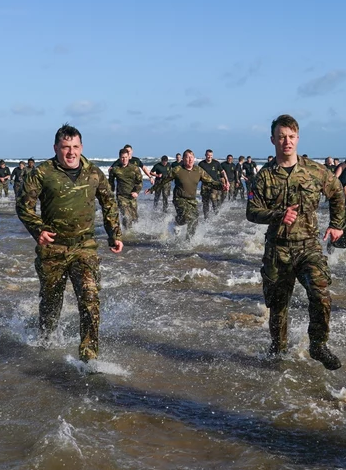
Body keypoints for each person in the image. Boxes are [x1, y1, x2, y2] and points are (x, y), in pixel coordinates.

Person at [17, 123, 123, 362]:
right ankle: (45, 341)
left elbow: (109, 204)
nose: (71, 152)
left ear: (81, 146)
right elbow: (23, 206)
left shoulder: (94, 173)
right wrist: (38, 230)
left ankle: (88, 356)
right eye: (66, 147)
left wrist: (114, 234)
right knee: (51, 302)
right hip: (52, 248)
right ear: (56, 147)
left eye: (75, 146)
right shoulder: (42, 173)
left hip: (85, 246)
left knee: (90, 297)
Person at [247, 114, 345, 370]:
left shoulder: (314, 171)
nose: (286, 142)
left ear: (297, 138)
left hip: (308, 247)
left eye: (290, 137)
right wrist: (278, 214)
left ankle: (318, 345)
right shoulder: (265, 176)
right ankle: (278, 354)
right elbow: (251, 211)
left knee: (321, 293)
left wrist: (336, 224)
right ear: (273, 140)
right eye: (281, 137)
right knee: (278, 307)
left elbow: (337, 193)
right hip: (277, 250)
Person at [148, 149, 227, 236]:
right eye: (187, 157)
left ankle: (188, 240)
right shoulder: (177, 170)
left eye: (191, 157)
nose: (189, 159)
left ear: (194, 159)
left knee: (195, 219)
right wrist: (152, 189)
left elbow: (210, 182)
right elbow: (164, 180)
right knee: (188, 216)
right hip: (179, 198)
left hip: (192, 199)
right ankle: (177, 223)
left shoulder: (199, 170)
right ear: (183, 159)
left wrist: (221, 186)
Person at [108, 148, 143, 229]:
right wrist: (110, 194)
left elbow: (139, 182)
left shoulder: (134, 168)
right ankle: (126, 233)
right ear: (119, 158)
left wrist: (136, 192)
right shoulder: (115, 169)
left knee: (134, 218)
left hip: (132, 196)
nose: (124, 159)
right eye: (122, 157)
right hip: (121, 196)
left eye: (126, 157)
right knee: (126, 216)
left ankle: (133, 232)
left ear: (129, 157)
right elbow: (111, 183)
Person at [197, 149, 226, 219]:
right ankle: (206, 217)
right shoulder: (201, 164)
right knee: (205, 202)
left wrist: (226, 181)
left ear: (212, 156)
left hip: (214, 184)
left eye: (211, 155)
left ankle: (216, 214)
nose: (209, 157)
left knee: (213, 199)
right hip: (204, 185)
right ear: (205, 155)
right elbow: (197, 174)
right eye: (208, 155)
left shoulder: (216, 163)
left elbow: (222, 172)